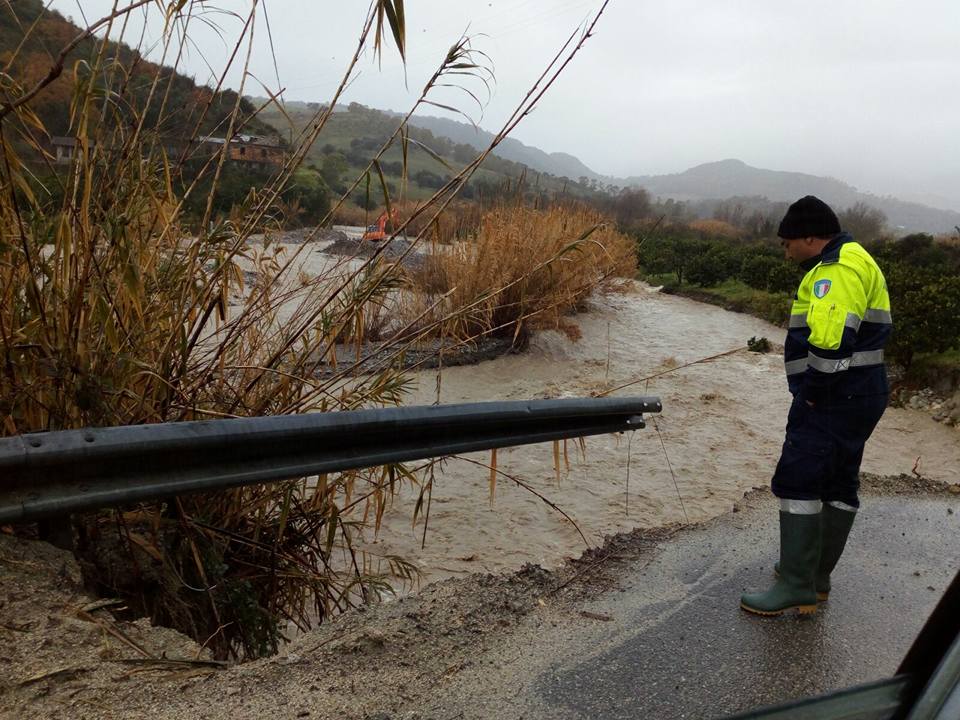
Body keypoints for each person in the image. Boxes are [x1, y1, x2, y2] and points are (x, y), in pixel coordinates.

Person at [740, 195, 892, 616]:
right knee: (839, 480)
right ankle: (815, 577)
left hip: (835, 394)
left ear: (810, 237)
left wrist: (813, 392)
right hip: (862, 390)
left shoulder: (835, 271)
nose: (784, 250)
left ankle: (796, 584)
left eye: (788, 242)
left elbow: (831, 339)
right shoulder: (857, 257)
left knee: (800, 478)